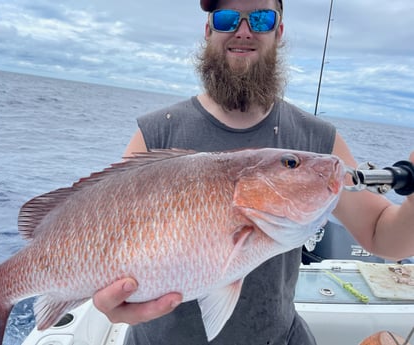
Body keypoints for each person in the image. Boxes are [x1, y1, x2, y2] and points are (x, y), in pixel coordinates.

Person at [92, 0, 414, 343]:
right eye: (227, 17)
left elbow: (382, 236)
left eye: (260, 18)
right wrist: (110, 298)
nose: (242, 30)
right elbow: (101, 238)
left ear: (278, 32)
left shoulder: (317, 143)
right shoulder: (156, 134)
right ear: (208, 30)